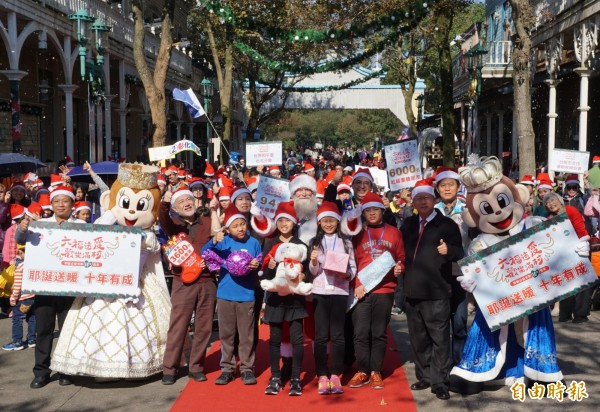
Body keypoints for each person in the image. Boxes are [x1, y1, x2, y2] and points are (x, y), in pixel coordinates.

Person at [50, 164, 171, 381]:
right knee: (97, 325)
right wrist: (113, 211)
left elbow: (147, 251)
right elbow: (96, 232)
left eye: (141, 206)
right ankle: (97, 368)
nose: (132, 211)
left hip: (138, 287)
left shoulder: (148, 237)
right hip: (106, 284)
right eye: (126, 204)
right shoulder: (110, 230)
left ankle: (136, 366)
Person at [400, 179, 464, 401]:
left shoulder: (447, 224)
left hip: (437, 291)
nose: (423, 202)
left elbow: (460, 252)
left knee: (439, 339)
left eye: (427, 197)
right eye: (419, 198)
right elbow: (400, 253)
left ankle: (440, 381)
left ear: (434, 199)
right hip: (411, 291)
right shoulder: (408, 224)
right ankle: (425, 375)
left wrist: (449, 250)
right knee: (418, 339)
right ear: (413, 202)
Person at [15, 185, 84, 388]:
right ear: (51, 204)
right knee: (44, 330)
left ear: (72, 204)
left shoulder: (81, 225)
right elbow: (20, 240)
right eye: (57, 201)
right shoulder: (40, 224)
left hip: (71, 286)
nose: (61, 204)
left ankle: (66, 370)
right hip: (45, 285)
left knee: (67, 330)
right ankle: (41, 372)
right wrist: (22, 228)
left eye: (65, 201)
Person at [342, 192, 405, 390]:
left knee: (378, 333)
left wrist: (400, 268)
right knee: (360, 333)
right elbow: (351, 262)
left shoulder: (395, 232)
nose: (371, 213)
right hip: (361, 289)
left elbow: (402, 258)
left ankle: (376, 370)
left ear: (382, 210)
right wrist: (357, 283)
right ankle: (362, 370)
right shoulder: (358, 233)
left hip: (385, 290)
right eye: (367, 210)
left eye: (375, 210)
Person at [159, 187, 215, 384]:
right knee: (178, 325)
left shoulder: (208, 223)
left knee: (204, 326)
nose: (186, 203)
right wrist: (165, 203)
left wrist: (212, 261)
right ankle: (169, 369)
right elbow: (162, 218)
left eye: (188, 199)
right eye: (181, 201)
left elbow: (219, 246)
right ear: (175, 207)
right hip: (182, 282)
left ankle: (196, 366)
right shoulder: (174, 225)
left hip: (207, 281)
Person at [201, 205, 262, 385]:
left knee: (246, 335)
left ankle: (247, 369)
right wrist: (213, 240)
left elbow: (260, 261)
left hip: (247, 295)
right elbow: (203, 253)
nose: (240, 228)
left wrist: (256, 265)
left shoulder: (254, 243)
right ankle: (227, 368)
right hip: (225, 295)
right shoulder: (224, 241)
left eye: (242, 224)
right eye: (235, 226)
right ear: (228, 229)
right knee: (226, 334)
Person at [261, 201, 309, 396]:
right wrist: (270, 267)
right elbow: (263, 275)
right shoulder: (271, 243)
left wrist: (302, 277)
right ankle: (275, 377)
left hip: (295, 301)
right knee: (275, 339)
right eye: (280, 220)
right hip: (275, 300)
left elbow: (308, 275)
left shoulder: (301, 246)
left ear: (293, 223)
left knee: (297, 340)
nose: (283, 223)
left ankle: (296, 379)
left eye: (287, 220)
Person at [309, 201, 356, 395]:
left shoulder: (346, 242)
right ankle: (321, 374)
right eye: (325, 221)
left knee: (338, 335)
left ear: (337, 222)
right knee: (320, 336)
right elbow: (313, 272)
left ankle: (336, 374)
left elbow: (353, 268)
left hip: (339, 291)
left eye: (332, 221)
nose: (328, 224)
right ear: (319, 223)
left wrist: (347, 275)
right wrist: (313, 261)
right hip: (320, 291)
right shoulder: (314, 242)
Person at [433, 168, 470, 366]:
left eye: (451, 185)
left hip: (462, 270)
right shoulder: (432, 210)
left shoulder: (467, 209)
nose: (447, 189)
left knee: (460, 319)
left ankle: (460, 362)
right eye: (443, 185)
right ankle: (441, 364)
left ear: (458, 187)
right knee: (439, 321)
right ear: (437, 188)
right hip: (437, 272)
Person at [543, 191, 592, 323]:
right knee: (565, 282)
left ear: (559, 200)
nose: (551, 204)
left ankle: (580, 315)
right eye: (547, 203)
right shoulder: (549, 219)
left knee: (583, 282)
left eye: (553, 200)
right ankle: (564, 314)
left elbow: (580, 228)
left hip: (578, 248)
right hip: (562, 253)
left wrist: (583, 243)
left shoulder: (570, 210)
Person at [2, 244, 36, 351]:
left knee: (17, 319)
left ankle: (17, 341)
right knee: (32, 317)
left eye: (19, 253)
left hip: (22, 298)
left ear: (22, 253)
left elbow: (17, 285)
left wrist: (13, 298)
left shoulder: (21, 266)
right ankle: (32, 339)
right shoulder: (35, 265)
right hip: (33, 297)